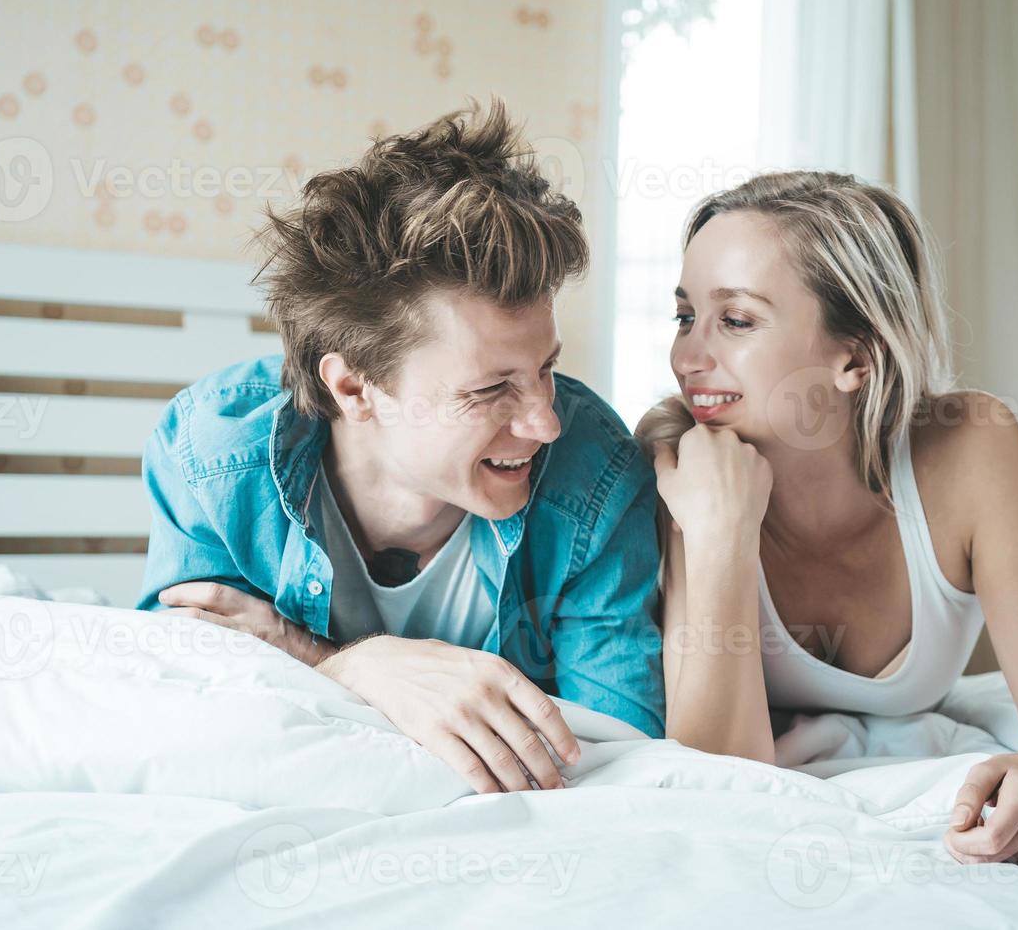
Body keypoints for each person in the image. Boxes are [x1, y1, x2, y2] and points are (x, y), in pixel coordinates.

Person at [137, 101, 665, 795]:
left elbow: (619, 762)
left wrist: (310, 658)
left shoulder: (595, 475)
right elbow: (180, 715)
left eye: (546, 370)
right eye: (489, 391)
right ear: (356, 390)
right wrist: (363, 667)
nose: (546, 423)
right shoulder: (214, 458)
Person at [639, 171, 1018, 865]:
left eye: (736, 320)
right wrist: (721, 539)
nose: (687, 358)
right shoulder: (682, 460)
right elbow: (718, 780)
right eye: (685, 316)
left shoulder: (972, 449)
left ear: (856, 356)